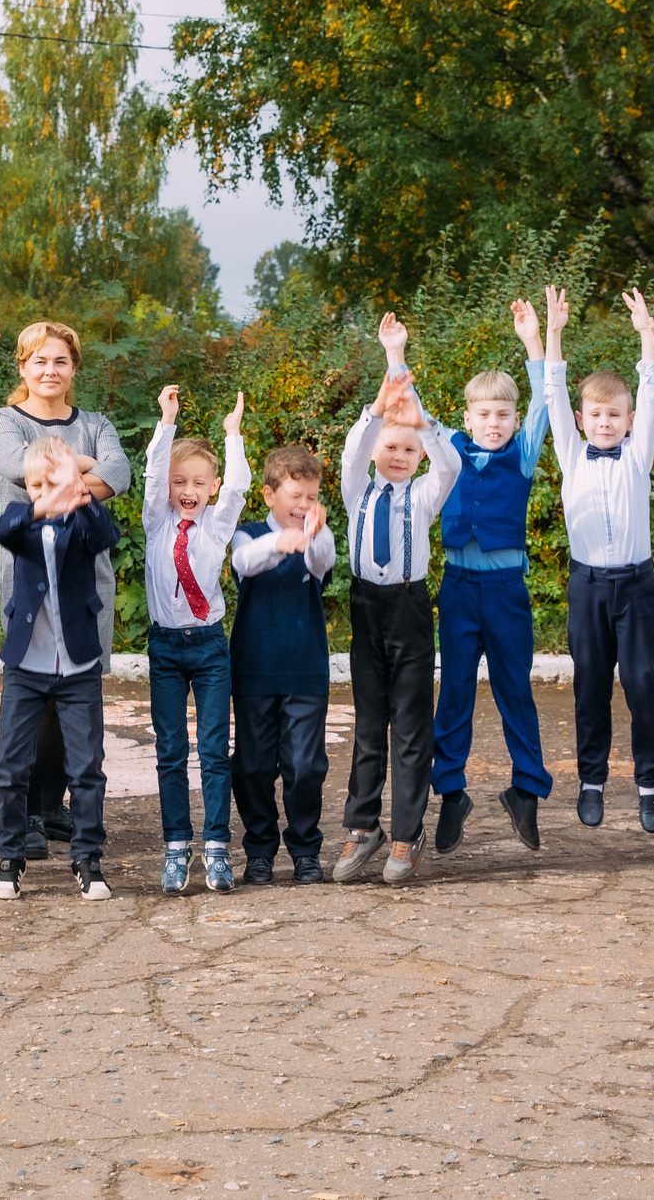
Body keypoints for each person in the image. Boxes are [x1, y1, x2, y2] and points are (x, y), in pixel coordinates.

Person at [0, 320, 132, 861]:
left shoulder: (95, 423)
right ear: (22, 367)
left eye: (61, 361)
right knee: (34, 700)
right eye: (39, 360)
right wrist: (83, 472)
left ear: (73, 369)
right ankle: (22, 811)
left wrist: (56, 477)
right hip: (28, 579)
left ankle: (49, 805)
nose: (50, 370)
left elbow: (120, 473)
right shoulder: (3, 421)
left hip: (86, 581)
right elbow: (15, 467)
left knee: (76, 701)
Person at [334, 314, 461, 884]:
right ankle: (364, 827)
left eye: (410, 448)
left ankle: (408, 834)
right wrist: (388, 378)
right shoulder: (356, 488)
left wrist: (421, 421)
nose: (399, 454)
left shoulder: (425, 494)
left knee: (410, 726)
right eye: (390, 445)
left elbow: (450, 461)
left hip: (409, 611)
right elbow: (355, 446)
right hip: (366, 608)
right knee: (369, 724)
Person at [430, 300, 556, 855]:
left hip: (506, 594)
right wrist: (395, 355)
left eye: (503, 415)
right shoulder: (449, 452)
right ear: (467, 418)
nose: (494, 424)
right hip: (458, 589)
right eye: (484, 414)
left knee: (514, 690)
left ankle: (525, 790)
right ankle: (450, 791)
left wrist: (533, 342)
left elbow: (546, 402)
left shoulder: (523, 454)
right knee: (455, 691)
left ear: (514, 419)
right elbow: (413, 413)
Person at [544, 286, 654, 833]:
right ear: (581, 419)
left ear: (628, 419)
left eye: (614, 415)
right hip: (589, 588)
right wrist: (553, 333)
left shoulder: (638, 455)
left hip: (636, 588)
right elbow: (552, 393)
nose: (604, 422)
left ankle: (650, 785)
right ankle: (591, 781)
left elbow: (652, 391)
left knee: (643, 685)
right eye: (595, 414)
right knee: (590, 686)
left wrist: (646, 337)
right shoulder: (571, 456)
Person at [0, 437, 122, 901]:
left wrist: (81, 496)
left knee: (87, 768)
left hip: (78, 664)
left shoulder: (84, 522)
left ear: (76, 482)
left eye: (55, 483)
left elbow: (105, 536)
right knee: (10, 767)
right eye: (36, 485)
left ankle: (88, 859)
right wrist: (39, 506)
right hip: (26, 665)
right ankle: (9, 858)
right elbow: (0, 530)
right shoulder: (20, 520)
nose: (46, 492)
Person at [142, 383, 250, 894]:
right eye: (179, 481)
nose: (188, 489)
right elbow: (151, 475)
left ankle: (217, 847)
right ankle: (176, 847)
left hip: (209, 648)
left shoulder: (216, 525)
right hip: (165, 648)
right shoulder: (156, 521)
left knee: (213, 750)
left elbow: (239, 488)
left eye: (199, 482)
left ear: (213, 487)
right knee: (169, 750)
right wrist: (167, 423)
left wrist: (233, 435)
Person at [229, 445, 336, 885]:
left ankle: (306, 850)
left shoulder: (320, 536)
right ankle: (259, 850)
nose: (304, 505)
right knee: (252, 767)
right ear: (269, 494)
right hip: (253, 670)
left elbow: (322, 561)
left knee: (305, 766)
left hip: (306, 671)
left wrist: (310, 536)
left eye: (312, 496)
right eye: (296, 495)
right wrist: (279, 542)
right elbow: (243, 562)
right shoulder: (247, 534)